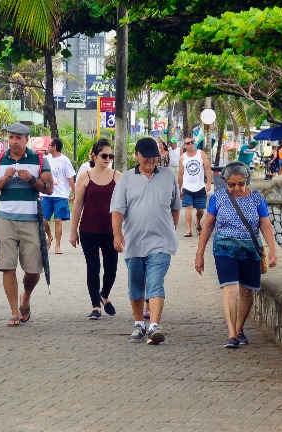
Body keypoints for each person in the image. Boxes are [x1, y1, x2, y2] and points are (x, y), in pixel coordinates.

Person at [194, 161, 278, 348]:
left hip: (250, 250)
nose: (237, 188)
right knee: (230, 289)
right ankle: (231, 334)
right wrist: (199, 254)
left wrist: (272, 250)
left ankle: (239, 329)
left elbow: (265, 224)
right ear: (225, 182)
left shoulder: (256, 198)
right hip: (224, 249)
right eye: (232, 184)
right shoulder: (218, 198)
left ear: (246, 180)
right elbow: (207, 226)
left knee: (247, 292)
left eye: (240, 184)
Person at [111, 137, 181, 345]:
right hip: (134, 241)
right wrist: (117, 234)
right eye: (147, 156)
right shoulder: (126, 178)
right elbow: (117, 210)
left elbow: (176, 207)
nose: (151, 160)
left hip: (161, 242)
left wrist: (171, 228)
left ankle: (154, 326)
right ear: (137, 155)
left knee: (156, 282)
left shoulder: (169, 176)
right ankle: (139, 323)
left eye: (154, 157)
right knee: (136, 286)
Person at [0, 122, 53, 327]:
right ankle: (14, 311)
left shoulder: (40, 159)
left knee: (33, 270)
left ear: (26, 140)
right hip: (5, 219)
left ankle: (26, 297)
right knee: (7, 266)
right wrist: (4, 178)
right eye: (11, 137)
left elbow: (49, 189)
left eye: (18, 138)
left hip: (31, 220)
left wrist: (32, 179)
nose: (13, 142)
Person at [70, 138, 121, 319]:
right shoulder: (85, 177)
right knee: (93, 267)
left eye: (110, 156)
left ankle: (104, 295)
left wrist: (122, 232)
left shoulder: (118, 176)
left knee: (111, 268)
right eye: (104, 155)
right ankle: (95, 306)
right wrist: (73, 231)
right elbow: (77, 205)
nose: (107, 159)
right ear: (94, 156)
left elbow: (124, 206)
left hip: (110, 230)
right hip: (88, 230)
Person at [42, 137, 76, 254]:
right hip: (46, 193)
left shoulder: (64, 160)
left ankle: (57, 245)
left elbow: (70, 178)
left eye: (49, 145)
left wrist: (75, 193)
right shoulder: (45, 159)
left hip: (61, 194)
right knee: (43, 220)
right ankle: (49, 235)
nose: (47, 147)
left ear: (55, 147)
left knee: (58, 220)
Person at [178, 136, 212, 238]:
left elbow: (207, 168)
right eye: (187, 143)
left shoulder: (201, 154)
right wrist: (179, 188)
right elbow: (180, 174)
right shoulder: (182, 157)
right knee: (188, 207)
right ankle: (188, 230)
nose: (190, 144)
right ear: (184, 146)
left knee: (200, 209)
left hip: (200, 186)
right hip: (187, 187)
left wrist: (209, 182)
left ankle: (197, 221)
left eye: (192, 142)